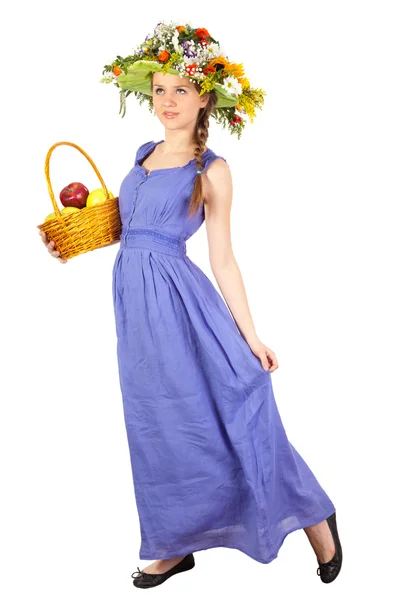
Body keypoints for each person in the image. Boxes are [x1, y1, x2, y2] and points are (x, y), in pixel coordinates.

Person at [41, 21, 343, 589]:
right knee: (158, 423)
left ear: (205, 96)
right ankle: (173, 544)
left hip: (183, 310)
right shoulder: (142, 154)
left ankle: (313, 514)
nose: (167, 101)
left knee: (230, 416)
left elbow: (223, 258)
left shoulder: (213, 170)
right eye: (158, 90)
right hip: (134, 310)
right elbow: (132, 231)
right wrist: (75, 234)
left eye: (180, 89)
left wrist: (251, 337)